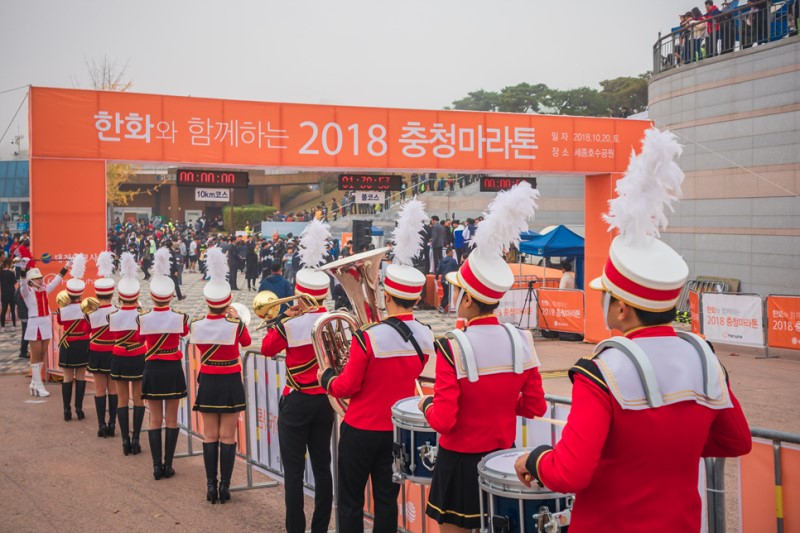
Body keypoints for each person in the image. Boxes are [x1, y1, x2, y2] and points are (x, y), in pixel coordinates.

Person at [512, 127, 752, 533]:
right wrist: (671, 451)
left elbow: (570, 473)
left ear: (620, 307)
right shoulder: (702, 357)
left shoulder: (601, 372)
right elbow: (737, 441)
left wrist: (533, 459)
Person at [418, 182, 546, 532]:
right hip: (504, 457)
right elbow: (535, 407)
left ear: (470, 300)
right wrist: (502, 403)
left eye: (459, 292)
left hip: (459, 462)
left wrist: (425, 406)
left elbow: (444, 420)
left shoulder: (453, 345)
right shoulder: (522, 340)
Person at [320, 199, 433, 533]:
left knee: (351, 501)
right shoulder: (426, 336)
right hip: (395, 432)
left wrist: (327, 376)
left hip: (360, 429)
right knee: (387, 501)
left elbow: (347, 387)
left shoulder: (367, 338)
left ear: (387, 294)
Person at [261, 220, 334, 532]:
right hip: (325, 401)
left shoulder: (290, 324)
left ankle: (296, 528)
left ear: (301, 295)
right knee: (322, 467)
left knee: (293, 471)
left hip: (297, 400)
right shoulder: (334, 321)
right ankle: (320, 527)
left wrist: (284, 317)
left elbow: (265, 348)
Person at [192, 248, 251, 504]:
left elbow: (201, 348)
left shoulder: (196, 324)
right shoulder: (235, 325)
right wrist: (236, 318)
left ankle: (210, 486)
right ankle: (225, 486)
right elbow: (246, 342)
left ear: (207, 301)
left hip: (208, 379)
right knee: (228, 436)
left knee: (209, 435)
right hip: (230, 380)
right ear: (227, 302)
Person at [138, 247, 190, 481]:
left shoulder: (144, 318)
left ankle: (155, 466)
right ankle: (168, 465)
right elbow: (185, 331)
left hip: (152, 368)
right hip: (172, 368)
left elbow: (140, 339)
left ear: (152, 296)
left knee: (154, 419)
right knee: (171, 419)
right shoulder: (179, 317)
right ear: (170, 296)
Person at [109, 252, 147, 456]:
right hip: (138, 356)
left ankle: (125, 439)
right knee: (138, 399)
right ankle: (136, 438)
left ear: (120, 296)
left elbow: (112, 333)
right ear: (137, 296)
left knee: (122, 399)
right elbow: (143, 338)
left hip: (119, 356)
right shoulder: (142, 316)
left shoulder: (113, 315)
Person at [20, 260, 70, 397]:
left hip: (45, 323)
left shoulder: (45, 289)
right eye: (38, 278)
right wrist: (23, 268)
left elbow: (56, 280)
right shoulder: (27, 292)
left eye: (41, 278)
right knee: (35, 355)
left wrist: (66, 266)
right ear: (31, 281)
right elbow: (23, 283)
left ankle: (34, 384)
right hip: (34, 324)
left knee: (42, 354)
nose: (41, 280)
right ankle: (38, 384)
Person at [87, 251, 119, 438]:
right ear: (112, 292)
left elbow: (85, 331)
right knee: (113, 388)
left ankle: (101, 425)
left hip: (96, 351)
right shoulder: (117, 311)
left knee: (99, 389)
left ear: (97, 293)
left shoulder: (90, 313)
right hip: (113, 351)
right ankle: (113, 424)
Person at [57, 255, 91, 422]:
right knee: (81, 376)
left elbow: (60, 321)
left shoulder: (62, 309)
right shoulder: (87, 308)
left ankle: (66, 410)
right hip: (83, 342)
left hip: (68, 343)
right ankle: (79, 408)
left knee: (67, 377)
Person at [435, 247, 458, 313]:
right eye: (452, 252)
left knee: (446, 294)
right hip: (449, 280)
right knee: (449, 296)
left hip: (443, 280)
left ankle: (441, 307)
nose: (453, 253)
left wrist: (436, 278)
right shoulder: (453, 261)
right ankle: (442, 307)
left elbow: (438, 270)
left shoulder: (442, 260)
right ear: (449, 252)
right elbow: (456, 271)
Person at [0, 258, 17, 332]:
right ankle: (14, 326)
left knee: (3, 310)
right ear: (8, 264)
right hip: (12, 293)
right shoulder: (11, 272)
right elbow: (15, 282)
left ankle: (3, 327)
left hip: (4, 293)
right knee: (12, 310)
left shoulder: (1, 272)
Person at [15, 283, 28, 359]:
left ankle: (23, 350)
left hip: (22, 313)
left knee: (25, 332)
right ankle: (23, 351)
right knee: (26, 333)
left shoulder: (20, 288)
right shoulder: (24, 288)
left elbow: (15, 299)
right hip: (25, 313)